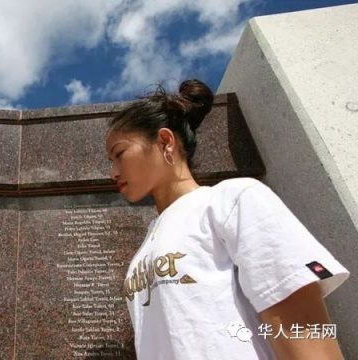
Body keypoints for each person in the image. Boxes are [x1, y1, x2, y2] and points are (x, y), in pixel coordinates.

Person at [105, 79, 349, 359]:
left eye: (119, 154)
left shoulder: (232, 199)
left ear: (165, 141)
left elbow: (302, 328)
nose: (113, 171)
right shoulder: (148, 242)